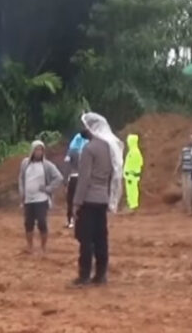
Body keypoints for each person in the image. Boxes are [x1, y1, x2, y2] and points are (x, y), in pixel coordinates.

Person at [72, 113, 123, 286]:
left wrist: (76, 202)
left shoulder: (89, 149)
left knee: (85, 239)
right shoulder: (110, 147)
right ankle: (101, 275)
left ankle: (84, 275)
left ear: (91, 128)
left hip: (89, 199)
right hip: (103, 199)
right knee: (101, 238)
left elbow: (84, 178)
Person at [18, 140, 63, 255]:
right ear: (32, 151)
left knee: (42, 222)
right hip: (28, 199)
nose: (39, 152)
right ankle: (30, 246)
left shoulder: (47, 165)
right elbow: (21, 179)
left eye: (41, 150)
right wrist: (22, 194)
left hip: (41, 199)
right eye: (37, 150)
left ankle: (43, 247)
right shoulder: (25, 163)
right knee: (28, 223)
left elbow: (59, 178)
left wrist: (48, 188)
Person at [63, 131, 88, 228]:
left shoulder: (72, 151)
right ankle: (83, 220)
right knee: (83, 200)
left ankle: (70, 220)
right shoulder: (87, 150)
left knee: (70, 200)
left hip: (73, 178)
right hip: (84, 178)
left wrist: (65, 180)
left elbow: (67, 165)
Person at [178, 133, 192, 216]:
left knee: (191, 192)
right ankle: (188, 208)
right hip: (184, 172)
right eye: (191, 138)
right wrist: (177, 170)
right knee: (185, 191)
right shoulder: (185, 150)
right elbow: (180, 160)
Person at [124, 133, 144, 212]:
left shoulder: (134, 152)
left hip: (132, 175)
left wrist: (132, 172)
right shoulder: (132, 151)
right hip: (129, 175)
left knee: (132, 191)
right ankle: (130, 204)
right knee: (130, 191)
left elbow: (139, 163)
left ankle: (133, 205)